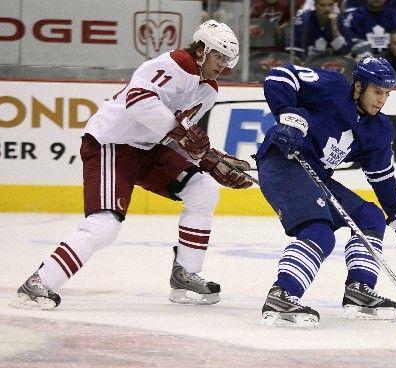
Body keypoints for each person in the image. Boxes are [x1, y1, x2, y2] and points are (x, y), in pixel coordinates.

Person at [13, 20, 253, 310]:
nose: (225, 66)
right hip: (111, 144)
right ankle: (41, 281)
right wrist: (182, 135)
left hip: (149, 149)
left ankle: (185, 273)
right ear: (202, 50)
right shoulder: (176, 64)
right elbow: (138, 100)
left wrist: (210, 159)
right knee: (104, 226)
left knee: (203, 190)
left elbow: (182, 136)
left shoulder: (208, 90)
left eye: (229, 60)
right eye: (220, 57)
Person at [255, 56, 396, 327]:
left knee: (369, 216)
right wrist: (288, 114)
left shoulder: (379, 130)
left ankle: (359, 290)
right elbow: (279, 76)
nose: (382, 100)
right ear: (358, 86)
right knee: (319, 232)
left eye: (386, 94)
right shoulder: (332, 86)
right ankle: (283, 294)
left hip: (317, 177)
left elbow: (382, 178)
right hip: (283, 164)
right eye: (377, 91)